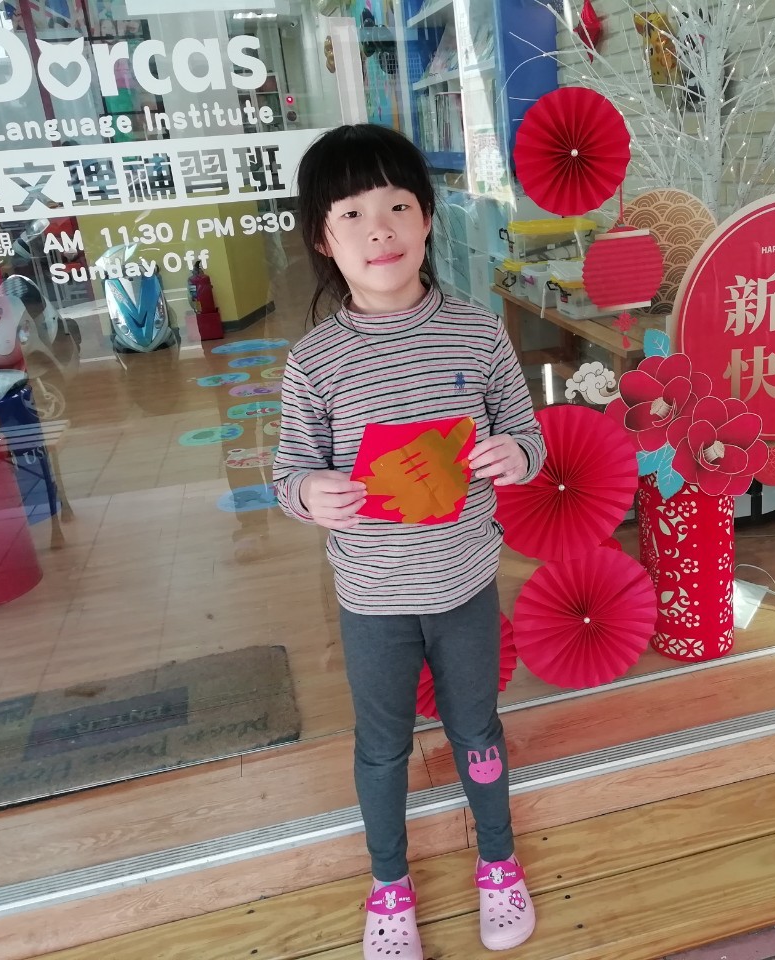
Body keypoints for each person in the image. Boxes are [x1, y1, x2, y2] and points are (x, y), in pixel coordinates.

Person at [272, 124, 546, 957]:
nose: (379, 230)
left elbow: (526, 434)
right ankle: (388, 883)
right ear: (324, 240)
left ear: (427, 218)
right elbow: (290, 473)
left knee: (478, 729)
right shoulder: (315, 361)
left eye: (396, 206)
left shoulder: (477, 332)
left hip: (464, 587)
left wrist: (515, 455)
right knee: (382, 745)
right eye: (351, 214)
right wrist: (310, 493)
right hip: (373, 599)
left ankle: (497, 860)